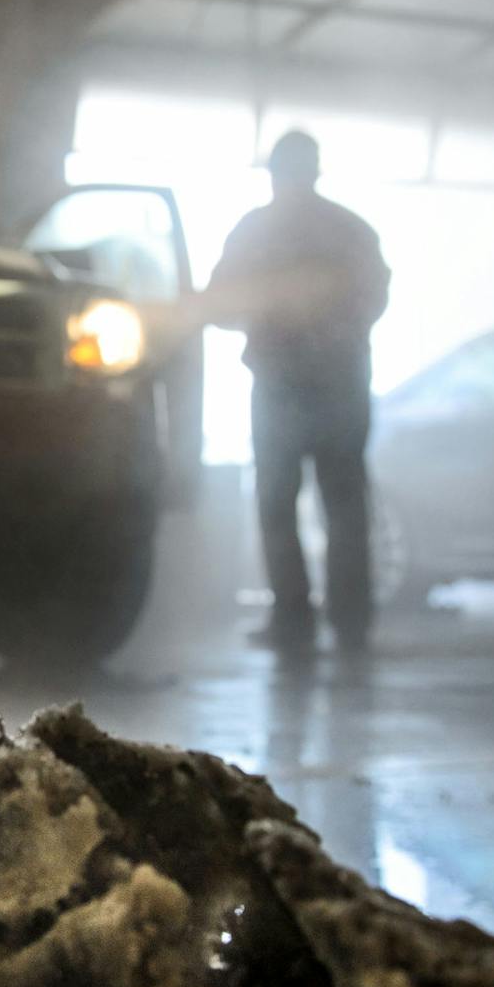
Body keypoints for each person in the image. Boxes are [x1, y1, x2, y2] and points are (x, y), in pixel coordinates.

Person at [196, 132, 390, 655]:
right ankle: (351, 623)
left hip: (281, 386)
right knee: (345, 504)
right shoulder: (350, 230)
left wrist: (269, 318)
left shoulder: (256, 231)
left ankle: (293, 621)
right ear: (316, 172)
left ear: (276, 174)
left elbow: (218, 305)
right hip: (340, 386)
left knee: (278, 503)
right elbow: (375, 297)